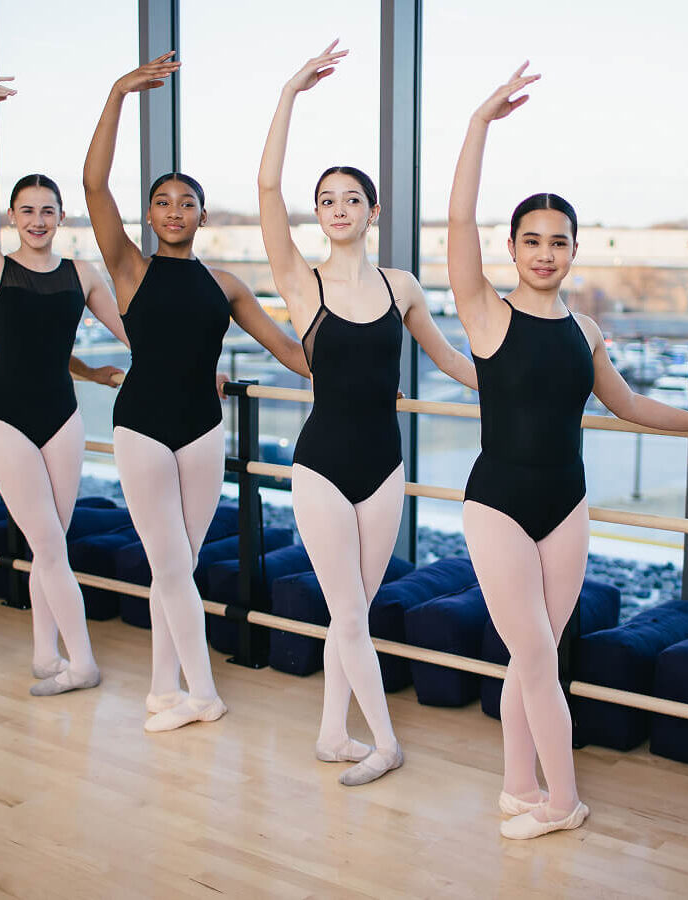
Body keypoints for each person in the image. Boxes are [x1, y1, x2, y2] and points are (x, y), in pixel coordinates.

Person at [448, 63, 688, 838]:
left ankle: (519, 782)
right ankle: (563, 802)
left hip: (566, 506)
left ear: (575, 250)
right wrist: (478, 126)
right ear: (511, 246)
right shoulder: (485, 314)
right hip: (498, 505)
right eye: (533, 241)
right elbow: (453, 226)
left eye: (559, 242)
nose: (545, 253)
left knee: (533, 656)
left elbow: (629, 403)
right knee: (538, 654)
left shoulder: (583, 330)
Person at [259, 42, 478, 785]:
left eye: (351, 198)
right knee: (349, 613)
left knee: (349, 613)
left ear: (372, 210)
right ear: (317, 215)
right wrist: (290, 92)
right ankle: (383, 741)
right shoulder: (300, 281)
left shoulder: (402, 286)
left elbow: (450, 361)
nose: (339, 209)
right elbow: (264, 189)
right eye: (326, 201)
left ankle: (330, 735)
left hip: (385, 468)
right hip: (321, 464)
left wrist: (517, 381)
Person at [84, 52, 310, 731]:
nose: (174, 210)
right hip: (143, 427)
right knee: (173, 560)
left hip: (203, 430)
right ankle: (203, 695)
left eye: (187, 202)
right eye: (162, 201)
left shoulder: (226, 285)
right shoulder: (127, 267)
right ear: (151, 215)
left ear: (203, 215)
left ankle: (162, 688)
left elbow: (289, 351)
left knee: (174, 566)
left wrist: (359, 373)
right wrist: (118, 92)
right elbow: (94, 184)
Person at [0, 78, 128, 695]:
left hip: (62, 417)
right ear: (12, 218)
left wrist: (192, 366)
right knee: (48, 545)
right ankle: (83, 663)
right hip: (8, 419)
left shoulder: (81, 272)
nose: (39, 219)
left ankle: (47, 654)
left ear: (61, 217)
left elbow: (133, 334)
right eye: (28, 210)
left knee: (49, 547)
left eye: (49, 210)